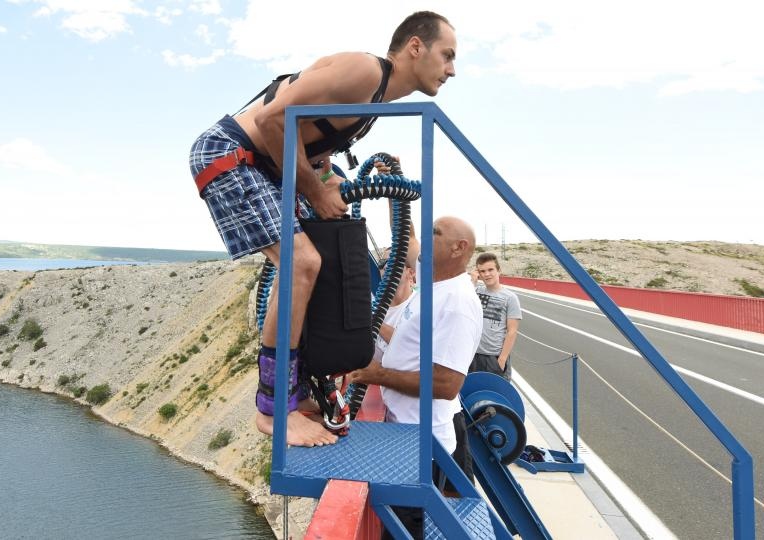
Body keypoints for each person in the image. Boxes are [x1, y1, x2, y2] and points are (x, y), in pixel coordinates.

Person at [188, 12, 457, 447]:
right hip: (231, 154)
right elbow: (273, 120)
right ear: (414, 47)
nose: (451, 69)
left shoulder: (374, 102)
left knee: (320, 264)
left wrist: (326, 178)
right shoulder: (365, 72)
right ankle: (273, 408)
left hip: (266, 168)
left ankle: (297, 388)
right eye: (446, 56)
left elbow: (310, 139)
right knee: (302, 263)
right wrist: (314, 192)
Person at [347, 216, 482, 538]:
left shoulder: (457, 303)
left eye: (435, 232)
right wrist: (395, 192)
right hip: (406, 432)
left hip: (422, 442)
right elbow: (410, 245)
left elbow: (447, 384)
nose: (425, 238)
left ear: (458, 248)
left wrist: (379, 375)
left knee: (405, 528)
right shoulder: (435, 283)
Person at [469, 252, 522, 379]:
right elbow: (461, 310)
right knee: (470, 395)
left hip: (494, 357)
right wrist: (472, 282)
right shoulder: (473, 292)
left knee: (495, 396)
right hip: (472, 355)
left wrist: (502, 360)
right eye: (482, 271)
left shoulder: (510, 298)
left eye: (490, 269)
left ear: (498, 270)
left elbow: (512, 331)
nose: (487, 274)